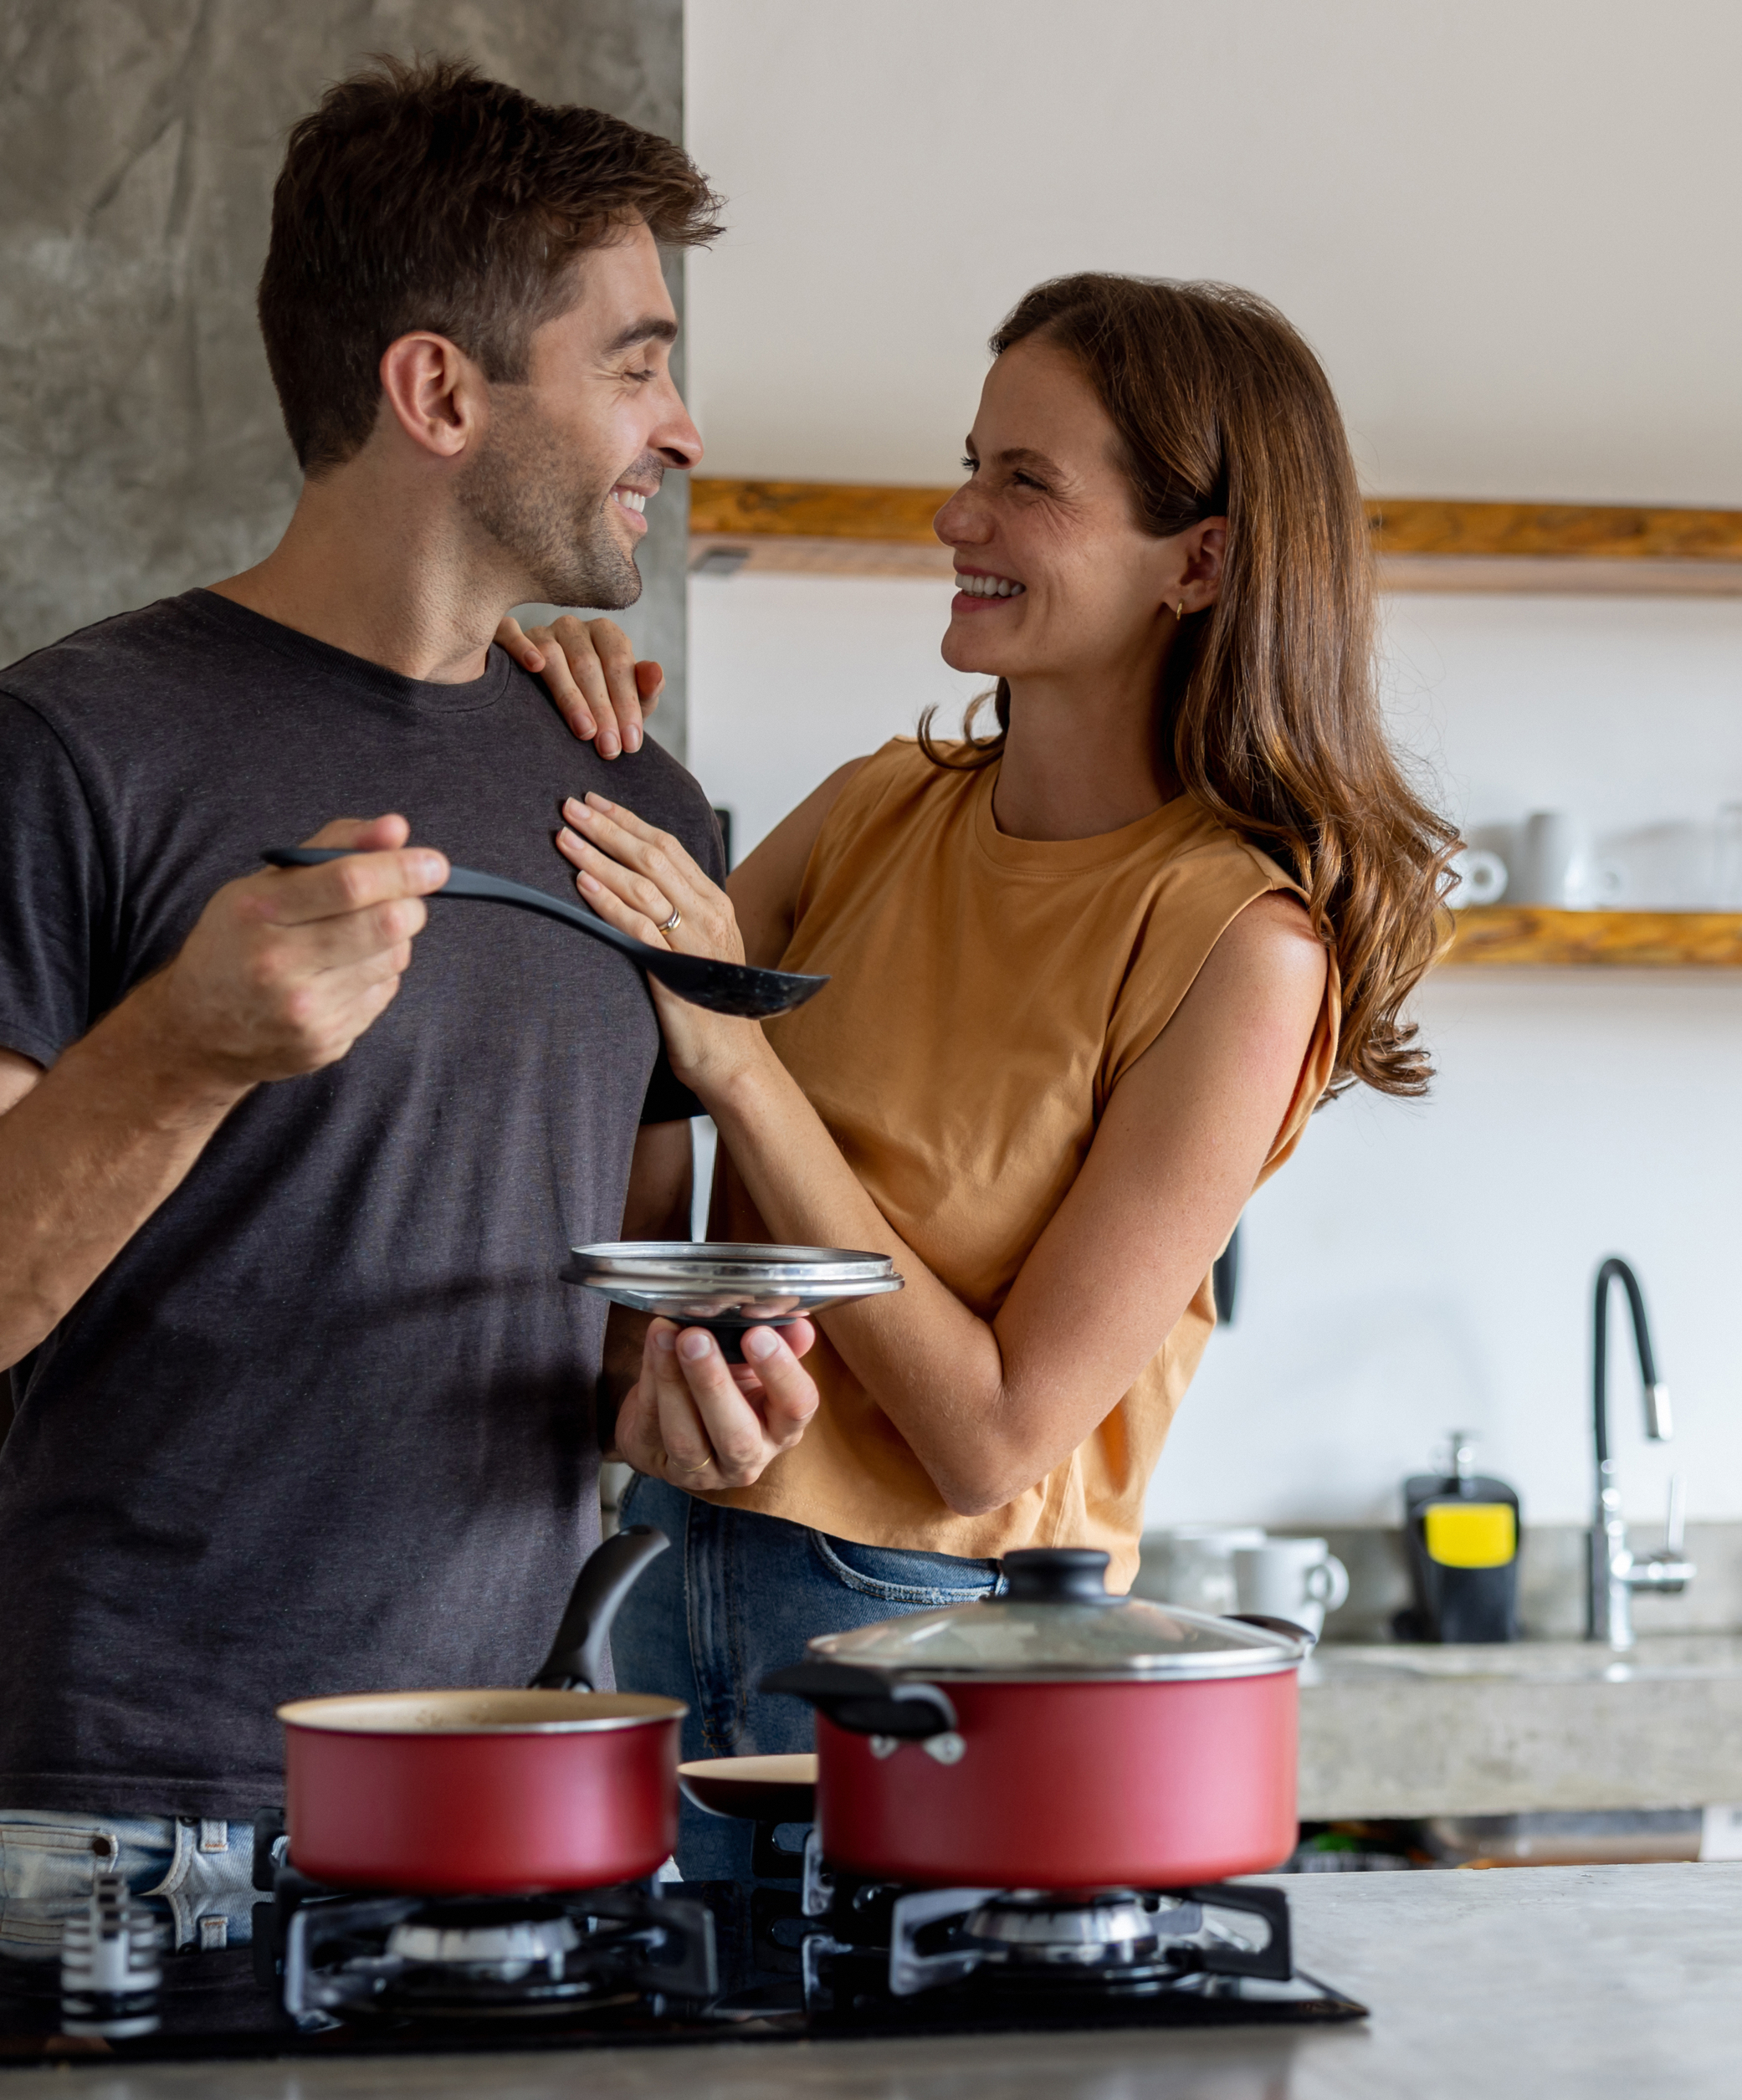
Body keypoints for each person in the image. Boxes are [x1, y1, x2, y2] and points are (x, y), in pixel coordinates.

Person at [0, 58, 814, 1953]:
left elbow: (606, 1325)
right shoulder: (61, 753)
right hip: (137, 1831)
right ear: (437, 392)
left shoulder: (640, 804)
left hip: (532, 1802)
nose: (680, 421)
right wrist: (178, 1049)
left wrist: (686, 1400)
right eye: (635, 361)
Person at [503, 274, 1457, 1877]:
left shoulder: (1243, 945)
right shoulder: (882, 808)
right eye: (972, 462)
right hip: (663, 1564)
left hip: (939, 1652)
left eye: (1027, 481)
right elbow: (638, 1068)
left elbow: (995, 1435)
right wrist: (547, 715)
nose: (957, 514)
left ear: (1199, 559)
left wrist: (741, 1064)